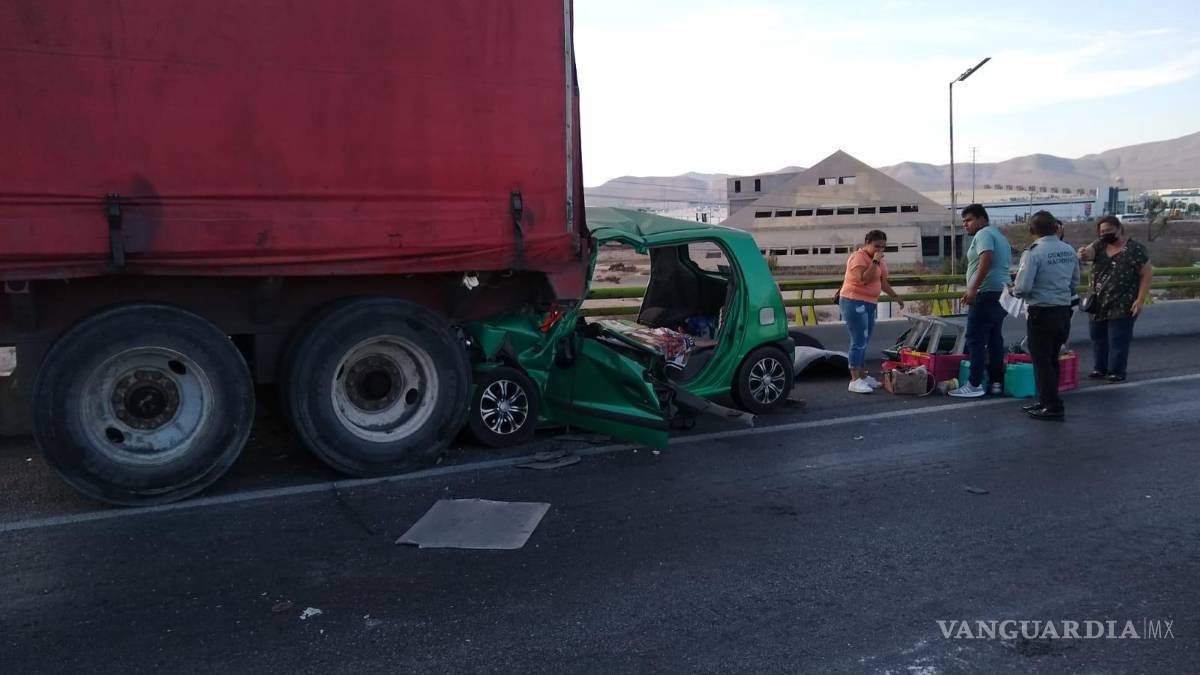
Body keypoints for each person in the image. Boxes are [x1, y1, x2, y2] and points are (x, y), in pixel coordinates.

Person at [1011, 211, 1080, 420]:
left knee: (1041, 361)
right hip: (1063, 311)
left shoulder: (1033, 253)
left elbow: (1023, 287)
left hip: (1041, 311)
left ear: (1032, 230)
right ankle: (1046, 400)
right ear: (1055, 227)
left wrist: (1012, 290)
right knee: (1052, 359)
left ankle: (1051, 405)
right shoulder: (1068, 250)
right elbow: (1075, 281)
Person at [1077, 215, 1152, 383]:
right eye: (1102, 231)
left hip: (1123, 303)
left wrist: (1140, 299)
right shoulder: (1099, 245)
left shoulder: (1135, 249)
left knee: (1118, 339)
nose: (1106, 234)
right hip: (1098, 303)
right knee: (1098, 338)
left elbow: (1146, 273)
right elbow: (1087, 253)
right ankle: (1100, 367)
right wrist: (1082, 253)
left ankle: (1116, 370)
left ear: (1119, 229)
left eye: (1110, 230)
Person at [949, 204, 1012, 398]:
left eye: (969, 220)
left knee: (975, 339)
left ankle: (974, 384)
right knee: (994, 339)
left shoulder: (983, 234)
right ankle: (996, 382)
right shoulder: (999, 235)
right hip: (1001, 293)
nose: (965, 225)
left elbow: (986, 259)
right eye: (964, 221)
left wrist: (973, 289)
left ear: (982, 219)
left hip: (986, 293)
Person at [837, 230, 905, 394]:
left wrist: (895, 296)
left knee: (865, 340)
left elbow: (882, 283)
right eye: (876, 246)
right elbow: (864, 279)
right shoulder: (858, 257)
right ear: (867, 243)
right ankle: (854, 379)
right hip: (853, 301)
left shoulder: (880, 261)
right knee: (858, 340)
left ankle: (862, 375)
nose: (879, 250)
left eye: (883, 247)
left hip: (869, 303)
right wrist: (874, 261)